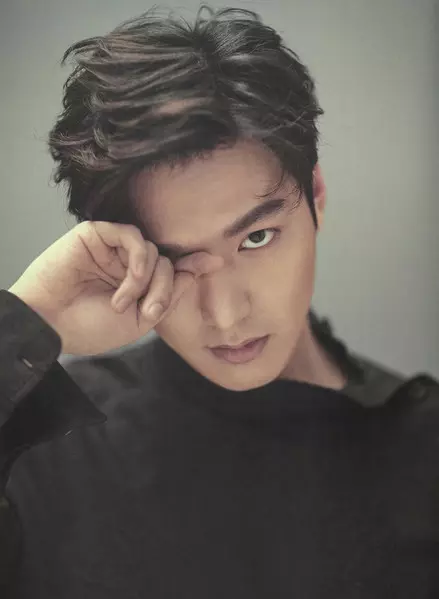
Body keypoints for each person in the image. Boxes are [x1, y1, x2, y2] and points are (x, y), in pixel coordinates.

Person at [0, 6, 438, 598]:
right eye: (176, 258)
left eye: (257, 238)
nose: (226, 316)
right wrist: (28, 321)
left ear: (316, 195)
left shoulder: (424, 450)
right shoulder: (43, 452)